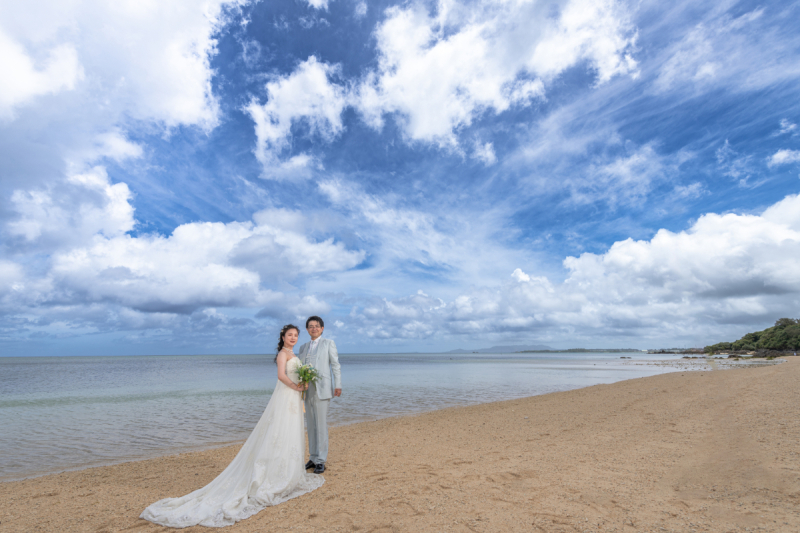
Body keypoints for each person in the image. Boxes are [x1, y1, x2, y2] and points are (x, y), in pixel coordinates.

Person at [140, 325, 324, 528]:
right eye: (290, 335)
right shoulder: (283, 354)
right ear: (282, 337)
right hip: (285, 395)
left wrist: (303, 384)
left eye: (296, 335)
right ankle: (273, 475)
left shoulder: (292, 353)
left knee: (290, 433)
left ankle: (288, 471)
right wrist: (296, 386)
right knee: (278, 432)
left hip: (293, 397)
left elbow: (294, 375)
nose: (293, 338)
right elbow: (281, 376)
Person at [297, 316, 342, 474]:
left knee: (321, 425)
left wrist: (338, 385)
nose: (314, 328)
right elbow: (299, 368)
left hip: (322, 388)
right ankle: (313, 457)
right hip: (307, 390)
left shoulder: (328, 343)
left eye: (317, 326)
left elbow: (335, 365)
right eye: (310, 326)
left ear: (322, 328)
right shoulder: (303, 347)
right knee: (311, 425)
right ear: (307, 329)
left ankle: (321, 460)